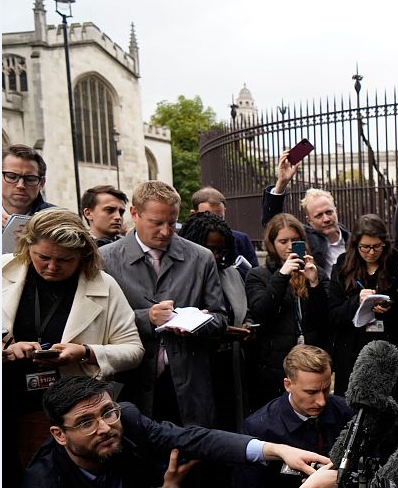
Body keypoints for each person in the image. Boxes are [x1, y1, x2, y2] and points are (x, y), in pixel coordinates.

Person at [2, 209, 144, 485]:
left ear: (83, 256)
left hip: (68, 413)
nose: (51, 267)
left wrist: (86, 352)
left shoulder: (104, 285)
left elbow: (133, 350)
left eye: (64, 260)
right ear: (27, 245)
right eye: (42, 257)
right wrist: (7, 351)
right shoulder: (3, 270)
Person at [24, 376, 330, 488]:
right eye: (85, 422)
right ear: (59, 434)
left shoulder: (127, 419)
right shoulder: (44, 480)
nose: (105, 427)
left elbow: (194, 439)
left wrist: (276, 450)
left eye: (107, 412)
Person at [99, 181, 227, 428]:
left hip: (188, 384)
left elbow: (221, 318)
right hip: (131, 382)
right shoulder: (106, 259)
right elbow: (99, 323)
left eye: (172, 223)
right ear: (135, 214)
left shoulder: (201, 258)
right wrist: (147, 318)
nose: (166, 231)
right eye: (156, 223)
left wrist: (200, 322)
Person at [328, 214, 398, 458]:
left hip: (389, 347)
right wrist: (357, 301)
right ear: (356, 245)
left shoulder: (397, 263)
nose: (371, 252)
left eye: (377, 247)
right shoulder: (343, 266)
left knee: (388, 418)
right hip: (353, 350)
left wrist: (390, 307)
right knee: (354, 418)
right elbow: (333, 313)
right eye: (365, 247)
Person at [234, 345, 352, 487]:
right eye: (311, 392)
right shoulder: (259, 429)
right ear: (288, 385)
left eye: (326, 389)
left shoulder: (347, 413)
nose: (322, 401)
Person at [245, 213, 330, 410]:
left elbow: (325, 318)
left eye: (295, 240)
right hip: (273, 366)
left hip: (310, 362)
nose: (290, 246)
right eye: (283, 241)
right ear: (272, 244)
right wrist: (282, 275)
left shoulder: (317, 272)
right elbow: (261, 311)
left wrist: (315, 283)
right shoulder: (259, 275)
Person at [179, 211, 254, 431]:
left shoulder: (231, 274)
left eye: (221, 250)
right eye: (210, 249)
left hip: (230, 364)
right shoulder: (184, 276)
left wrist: (247, 325)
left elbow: (242, 309)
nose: (216, 256)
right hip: (199, 363)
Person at [261, 150, 350, 277]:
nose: (326, 219)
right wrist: (281, 184)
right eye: (319, 215)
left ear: (336, 211)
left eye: (329, 212)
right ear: (309, 220)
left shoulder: (352, 240)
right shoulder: (305, 239)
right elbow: (273, 222)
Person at [190, 186, 259, 277]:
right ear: (193, 214)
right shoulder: (184, 244)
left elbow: (255, 278)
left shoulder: (241, 240)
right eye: (207, 217)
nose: (214, 224)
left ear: (224, 212)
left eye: (219, 218)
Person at [2, 144, 55, 227]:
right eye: (12, 177)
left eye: (30, 179)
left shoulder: (58, 222)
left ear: (42, 183)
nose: (21, 185)